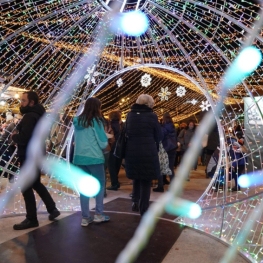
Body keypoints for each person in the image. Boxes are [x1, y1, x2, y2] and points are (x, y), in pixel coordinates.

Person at [11, 91, 60, 230]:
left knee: (26, 187)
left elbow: (25, 138)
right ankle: (52, 209)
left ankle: (31, 219)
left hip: (28, 156)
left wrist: (14, 137)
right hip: (38, 155)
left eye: (23, 101)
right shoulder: (40, 116)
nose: (21, 103)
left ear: (32, 102)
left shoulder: (29, 117)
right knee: (36, 184)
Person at [73, 97, 110, 226]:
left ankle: (85, 217)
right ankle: (99, 214)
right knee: (99, 186)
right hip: (95, 158)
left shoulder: (77, 121)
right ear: (97, 108)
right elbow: (103, 142)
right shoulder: (96, 122)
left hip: (79, 158)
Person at [125, 94, 161, 216]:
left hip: (132, 151)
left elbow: (126, 132)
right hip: (148, 151)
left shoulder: (130, 115)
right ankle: (143, 208)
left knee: (136, 177)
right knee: (146, 180)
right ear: (150, 104)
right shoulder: (152, 116)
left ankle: (134, 201)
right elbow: (158, 135)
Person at [106, 111, 123, 191]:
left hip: (112, 147)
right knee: (117, 165)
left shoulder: (110, 125)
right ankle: (116, 182)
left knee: (111, 166)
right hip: (120, 147)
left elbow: (109, 136)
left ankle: (114, 183)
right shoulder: (121, 125)